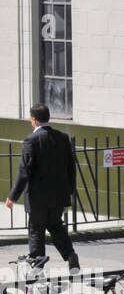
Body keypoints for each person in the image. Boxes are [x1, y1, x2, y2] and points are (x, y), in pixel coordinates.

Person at [5, 103, 80, 271]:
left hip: (37, 198)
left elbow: (24, 171)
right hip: (58, 196)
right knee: (56, 226)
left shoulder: (31, 140)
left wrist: (12, 196)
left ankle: (37, 267)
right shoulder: (62, 137)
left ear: (34, 120)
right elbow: (71, 167)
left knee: (36, 230)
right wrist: (69, 191)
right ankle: (70, 255)